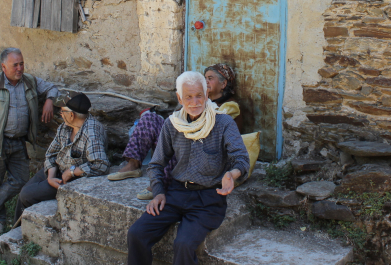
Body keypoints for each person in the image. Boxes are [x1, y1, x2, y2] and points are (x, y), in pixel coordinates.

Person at [126, 71, 249, 265]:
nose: (194, 102)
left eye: (199, 95)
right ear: (179, 98)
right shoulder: (172, 124)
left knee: (183, 244)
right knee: (137, 233)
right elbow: (156, 164)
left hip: (208, 199)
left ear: (206, 95)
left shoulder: (223, 123)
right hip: (176, 193)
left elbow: (241, 159)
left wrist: (231, 175)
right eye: (188, 97)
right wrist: (158, 192)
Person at [0, 47, 62, 234]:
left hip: (18, 141)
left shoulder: (30, 81)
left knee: (20, 179)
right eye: (15, 65)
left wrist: (49, 101)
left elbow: (52, 88)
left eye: (22, 64)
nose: (19, 68)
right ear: (3, 66)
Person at [108, 64, 240, 187]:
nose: (205, 82)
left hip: (200, 151)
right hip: (178, 140)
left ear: (223, 84)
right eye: (204, 78)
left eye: (210, 78)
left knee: (181, 142)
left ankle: (161, 184)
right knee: (150, 118)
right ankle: (133, 164)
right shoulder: (195, 100)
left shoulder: (229, 107)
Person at [13, 93, 109, 223]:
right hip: (56, 170)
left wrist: (72, 171)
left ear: (72, 115)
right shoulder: (65, 127)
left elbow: (101, 165)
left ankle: (23, 228)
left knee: (26, 195)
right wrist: (51, 176)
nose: (60, 113)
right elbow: (51, 154)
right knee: (24, 192)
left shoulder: (91, 132)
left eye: (62, 111)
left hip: (72, 179)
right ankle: (18, 227)